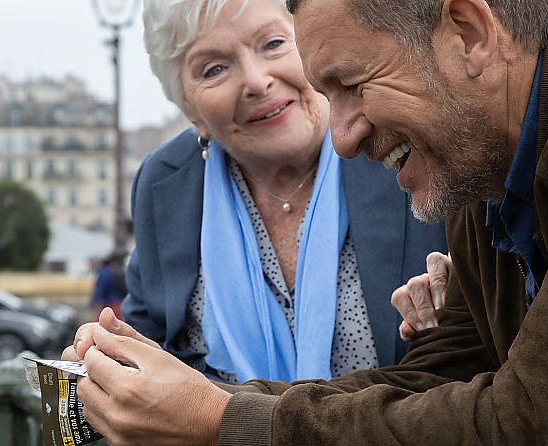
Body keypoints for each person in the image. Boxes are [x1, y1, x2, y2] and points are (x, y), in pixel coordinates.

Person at [64, 0, 548, 446]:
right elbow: (437, 380)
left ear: (469, 30)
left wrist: (218, 420)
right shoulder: (483, 155)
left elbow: (539, 426)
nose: (343, 136)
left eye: (352, 86)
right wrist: (199, 404)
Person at [118, 0, 447, 384]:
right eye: (214, 69)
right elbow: (149, 348)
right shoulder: (165, 183)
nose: (257, 81)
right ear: (191, 112)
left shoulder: (396, 137)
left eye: (273, 44)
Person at [89, 254, 125, 320]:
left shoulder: (103, 273)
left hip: (112, 305)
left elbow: (100, 290)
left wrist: (92, 302)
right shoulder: (108, 271)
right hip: (117, 303)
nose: (90, 267)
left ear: (96, 263)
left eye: (91, 264)